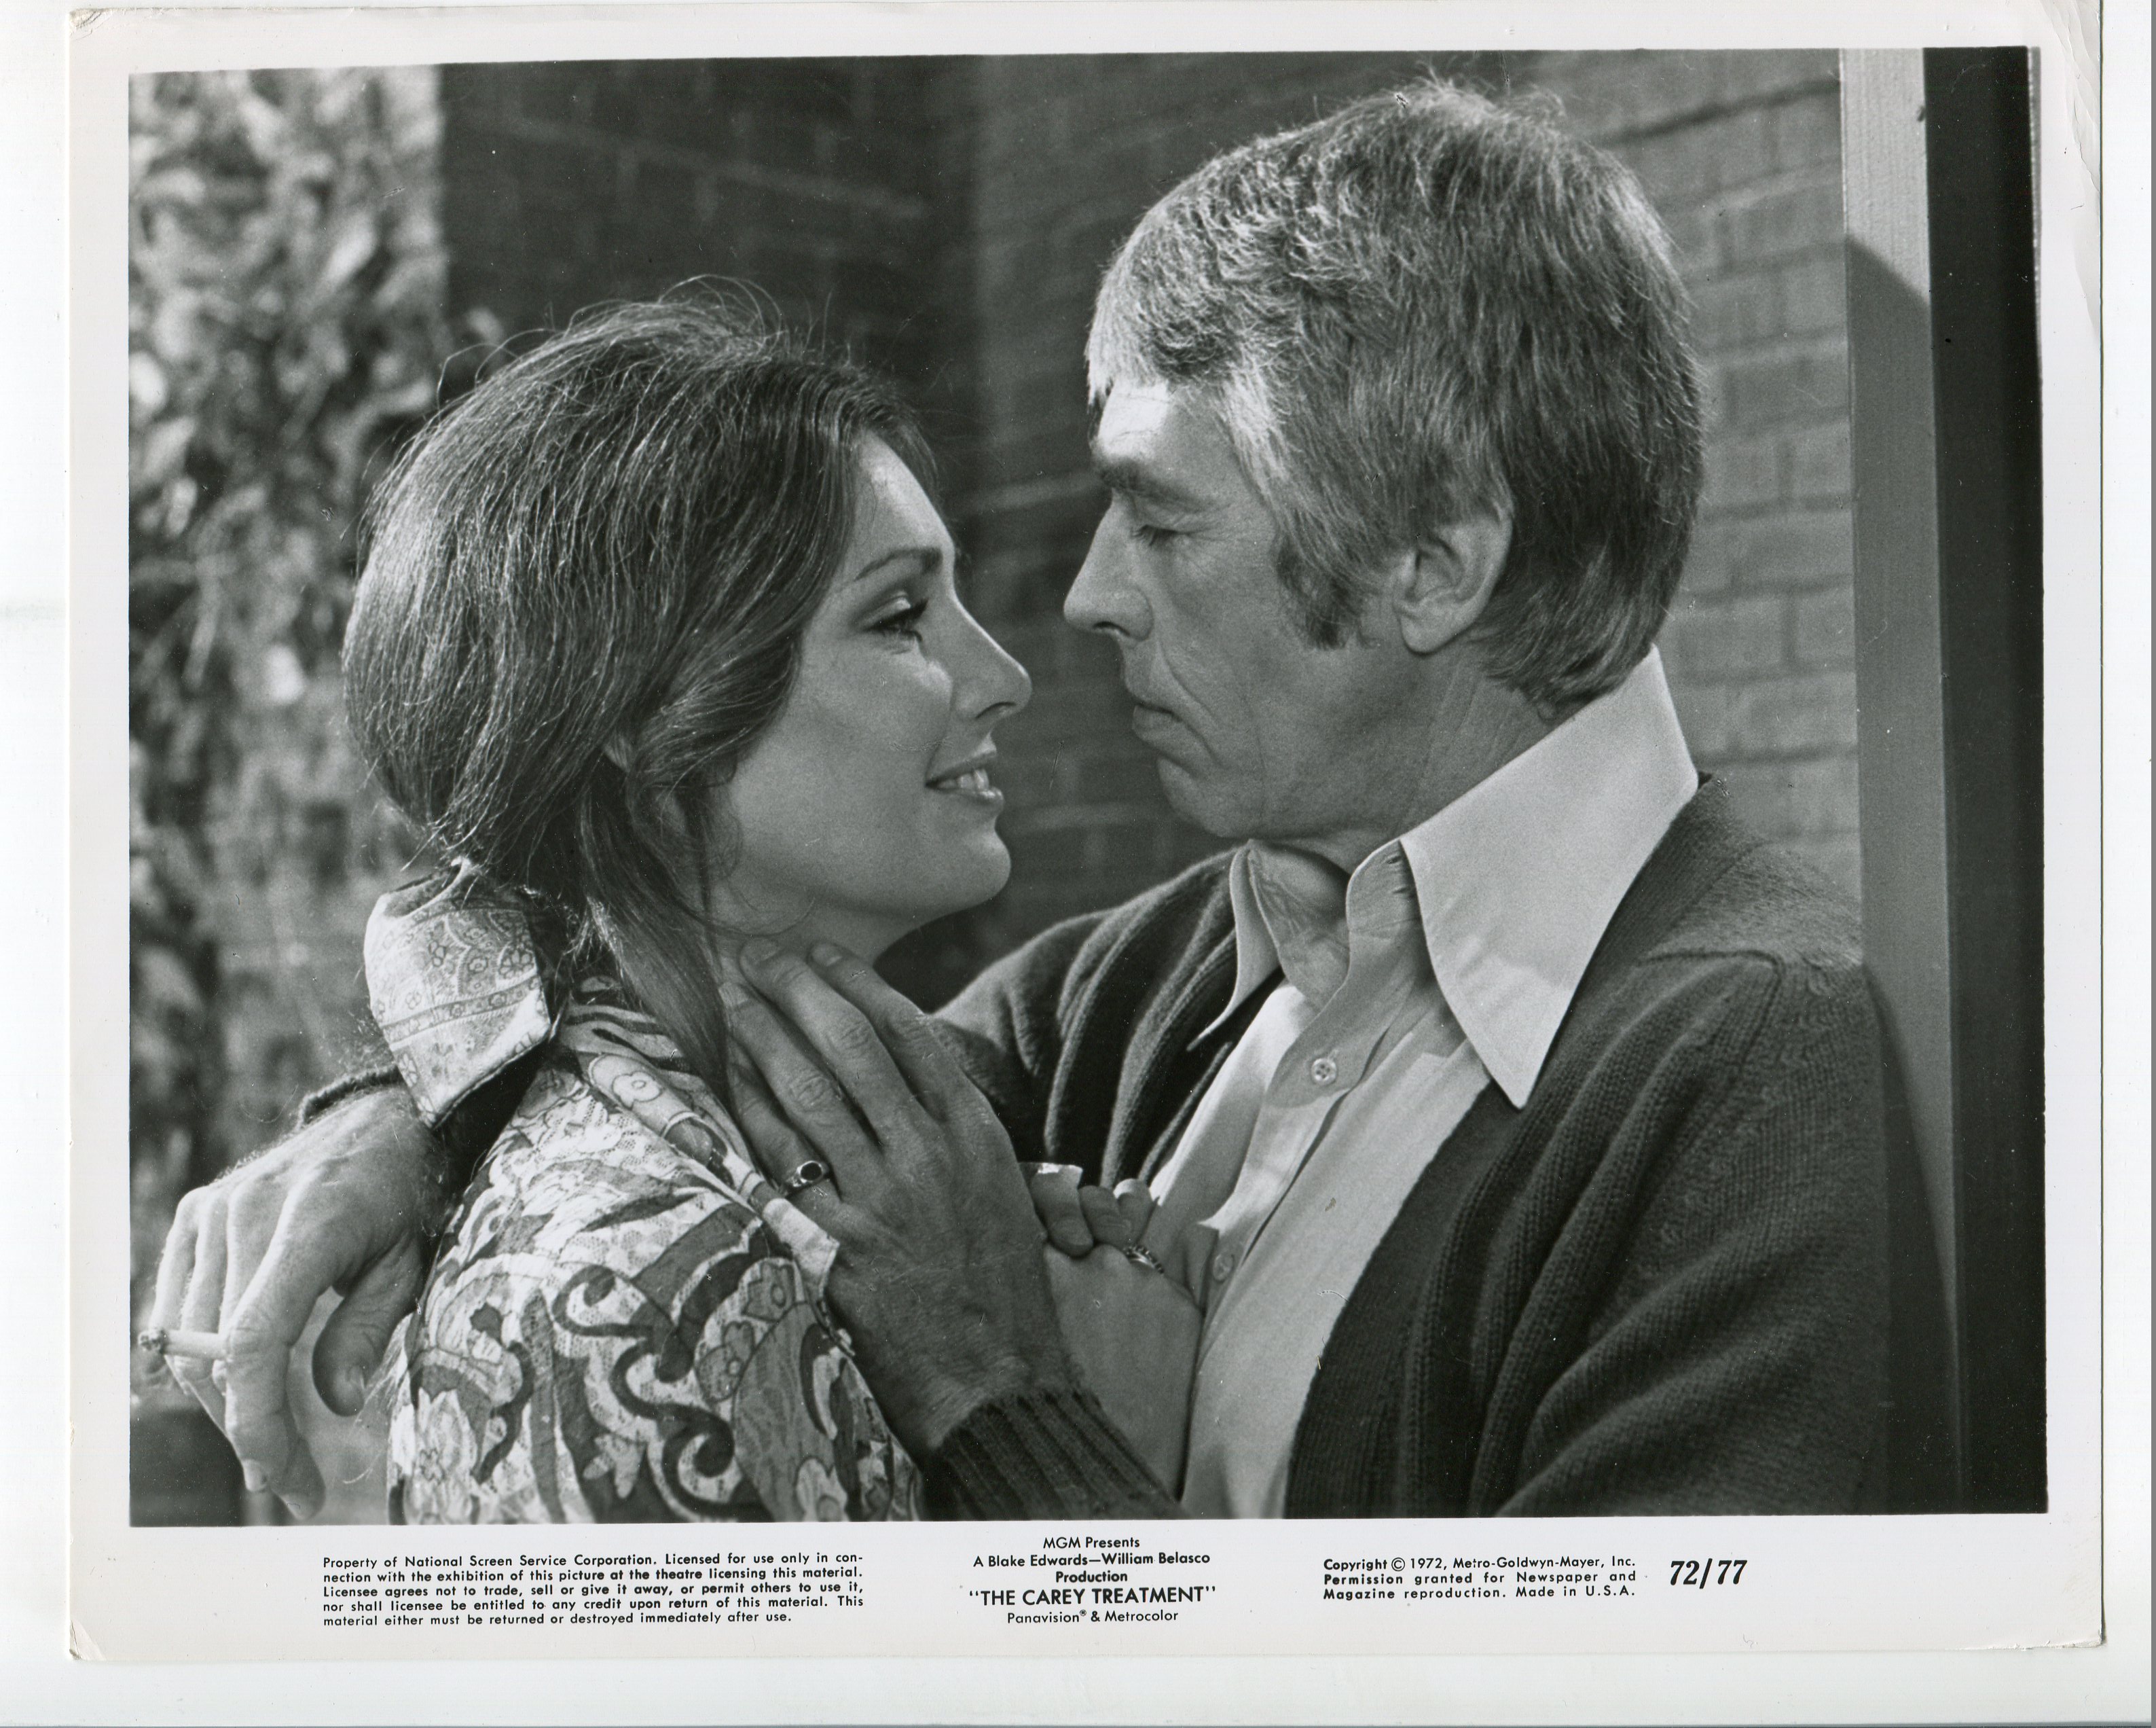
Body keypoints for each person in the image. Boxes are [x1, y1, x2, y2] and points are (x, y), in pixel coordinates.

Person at [154, 82, 1926, 1520]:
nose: (1083, 600)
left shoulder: (1757, 1084)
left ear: (1433, 564)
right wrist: (420, 1107)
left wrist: (1001, 1401)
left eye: (1160, 519)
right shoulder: (1143, 985)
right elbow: (687, 1032)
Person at [149, 296, 1196, 1522]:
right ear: (643, 718)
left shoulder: (818, 1166)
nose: (1005, 678)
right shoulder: (620, 1289)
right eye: (901, 616)